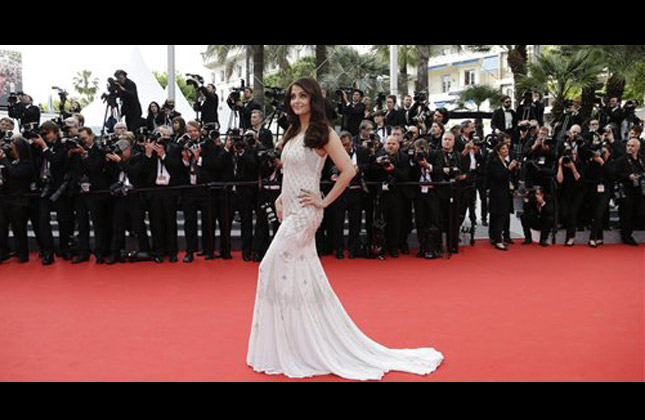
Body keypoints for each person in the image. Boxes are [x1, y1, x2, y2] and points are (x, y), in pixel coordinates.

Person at [247, 77, 443, 380]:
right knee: (297, 278)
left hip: (305, 215)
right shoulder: (293, 131)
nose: (296, 101)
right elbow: (293, 173)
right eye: (292, 97)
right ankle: (295, 345)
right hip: (290, 211)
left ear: (314, 99)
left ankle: (296, 346)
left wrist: (323, 200)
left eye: (302, 96)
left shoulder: (322, 131)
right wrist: (279, 198)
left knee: (269, 268)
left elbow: (349, 169)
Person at [0, 136, 34, 264]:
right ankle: (3, 252)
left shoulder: (27, 164)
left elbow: (16, 173)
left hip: (20, 200)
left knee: (19, 228)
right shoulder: (11, 162)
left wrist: (4, 160)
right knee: (2, 226)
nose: (11, 152)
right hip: (7, 198)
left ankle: (22, 253)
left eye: (14, 149)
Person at [487, 138, 519, 251]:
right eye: (503, 148)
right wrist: (509, 168)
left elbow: (507, 177)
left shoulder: (504, 162)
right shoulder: (494, 162)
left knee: (501, 216)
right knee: (498, 216)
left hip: (505, 191)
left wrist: (513, 170)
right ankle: (498, 240)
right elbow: (499, 177)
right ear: (498, 151)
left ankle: (496, 237)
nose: (506, 150)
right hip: (497, 193)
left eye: (507, 148)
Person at [616, 139, 645, 246]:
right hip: (626, 190)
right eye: (628, 145)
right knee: (627, 213)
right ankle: (626, 236)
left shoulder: (642, 159)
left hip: (640, 190)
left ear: (638, 147)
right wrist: (628, 176)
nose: (629, 147)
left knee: (640, 211)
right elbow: (616, 174)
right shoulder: (621, 160)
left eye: (632, 146)